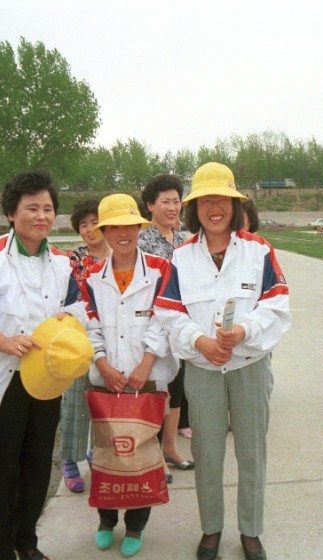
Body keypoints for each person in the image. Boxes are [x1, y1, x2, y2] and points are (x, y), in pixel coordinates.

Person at [0, 170, 87, 560]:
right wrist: (1, 339)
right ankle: (1, 549)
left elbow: (77, 308)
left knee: (38, 464)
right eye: (31, 208)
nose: (41, 216)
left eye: (48, 209)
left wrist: (69, 321)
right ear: (11, 212)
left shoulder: (61, 263)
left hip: (44, 381)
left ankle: (28, 541)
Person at [156, 162, 291, 560]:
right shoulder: (180, 256)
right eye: (205, 200)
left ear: (235, 205)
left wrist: (243, 331)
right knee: (208, 455)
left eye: (223, 200)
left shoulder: (258, 249)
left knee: (252, 454)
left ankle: (251, 532)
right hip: (202, 371)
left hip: (249, 367)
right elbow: (168, 312)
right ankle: (211, 529)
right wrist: (199, 340)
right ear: (194, 208)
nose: (214, 207)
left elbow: (277, 304)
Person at [81, 193, 177, 558]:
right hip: (104, 378)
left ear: (139, 227)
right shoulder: (90, 275)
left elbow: (166, 317)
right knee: (107, 452)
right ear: (104, 230)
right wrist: (102, 363)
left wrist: (146, 363)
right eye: (114, 226)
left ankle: (136, 525)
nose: (123, 233)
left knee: (141, 453)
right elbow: (87, 323)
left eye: (129, 226)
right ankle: (106, 520)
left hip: (147, 377)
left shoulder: (160, 269)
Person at [138, 173, 194, 478]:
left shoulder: (184, 239)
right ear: (150, 205)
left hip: (182, 325)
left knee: (177, 388)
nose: (172, 207)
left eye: (176, 201)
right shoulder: (142, 240)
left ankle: (170, 448)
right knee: (158, 391)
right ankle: (151, 454)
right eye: (165, 202)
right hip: (153, 323)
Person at [58, 198, 109, 493]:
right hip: (78, 338)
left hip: (112, 338)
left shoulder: (119, 255)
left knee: (102, 401)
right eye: (83, 225)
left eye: (94, 223)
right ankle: (69, 460)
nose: (89, 230)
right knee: (75, 401)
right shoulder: (72, 260)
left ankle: (95, 452)